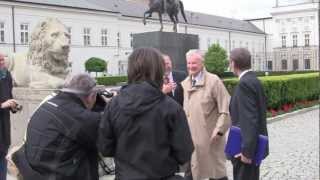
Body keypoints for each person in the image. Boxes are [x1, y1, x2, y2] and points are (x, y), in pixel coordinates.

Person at [98, 47, 194, 180]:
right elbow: (184, 153)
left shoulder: (113, 105)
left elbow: (105, 148)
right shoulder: (171, 107)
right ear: (158, 70)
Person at [12, 73, 102, 180]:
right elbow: (108, 147)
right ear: (92, 96)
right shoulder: (83, 119)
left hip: (34, 172)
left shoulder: (48, 104)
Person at [181, 49, 231, 180]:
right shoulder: (186, 83)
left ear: (202, 63)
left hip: (210, 140)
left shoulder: (214, 81)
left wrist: (219, 131)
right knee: (192, 172)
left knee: (216, 173)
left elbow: (225, 110)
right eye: (189, 63)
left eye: (194, 63)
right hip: (191, 141)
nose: (191, 66)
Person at [228, 48, 269, 180]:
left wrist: (246, 152)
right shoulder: (254, 80)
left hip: (244, 151)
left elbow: (249, 120)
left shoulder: (244, 84)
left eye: (230, 63)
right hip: (252, 146)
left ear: (233, 63)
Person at [0, 53, 18, 180]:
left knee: (3, 153)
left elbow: (9, 96)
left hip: (4, 125)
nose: (2, 61)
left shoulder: (7, 75)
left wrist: (13, 106)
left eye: (2, 59)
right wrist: (2, 105)